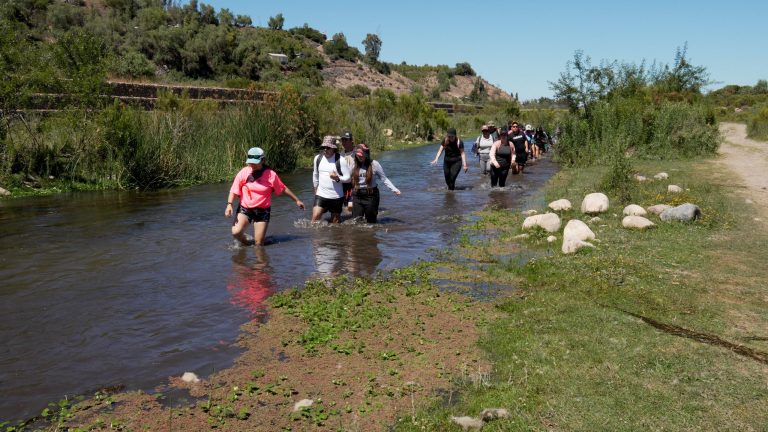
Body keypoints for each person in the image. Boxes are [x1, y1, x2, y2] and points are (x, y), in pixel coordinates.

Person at [226, 147, 305, 246]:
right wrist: (229, 204)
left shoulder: (271, 175)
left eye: (255, 162)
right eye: (250, 162)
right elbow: (234, 189)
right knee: (236, 232)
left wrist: (297, 200)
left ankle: (259, 257)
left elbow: (283, 188)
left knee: (259, 244)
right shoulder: (244, 172)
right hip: (245, 208)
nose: (252, 164)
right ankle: (246, 242)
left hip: (262, 210)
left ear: (263, 160)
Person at [351, 143, 401, 223]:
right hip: (357, 195)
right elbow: (348, 178)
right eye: (358, 155)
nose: (359, 156)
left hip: (371, 196)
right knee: (356, 222)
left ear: (366, 154)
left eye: (361, 154)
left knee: (371, 222)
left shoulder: (374, 164)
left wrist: (394, 189)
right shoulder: (353, 164)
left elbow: (384, 178)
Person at [312, 135, 351, 223]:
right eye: (324, 147)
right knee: (315, 218)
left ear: (333, 148)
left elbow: (348, 178)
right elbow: (315, 175)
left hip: (336, 196)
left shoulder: (341, 160)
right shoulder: (317, 158)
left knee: (335, 223)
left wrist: (337, 178)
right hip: (321, 194)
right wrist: (315, 190)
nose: (325, 149)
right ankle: (315, 236)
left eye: (328, 147)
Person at [339, 130, 356, 213]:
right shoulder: (340, 154)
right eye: (342, 140)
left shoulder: (357, 153)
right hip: (344, 184)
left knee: (351, 205)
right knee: (346, 207)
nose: (344, 142)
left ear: (351, 141)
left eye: (346, 140)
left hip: (355, 183)